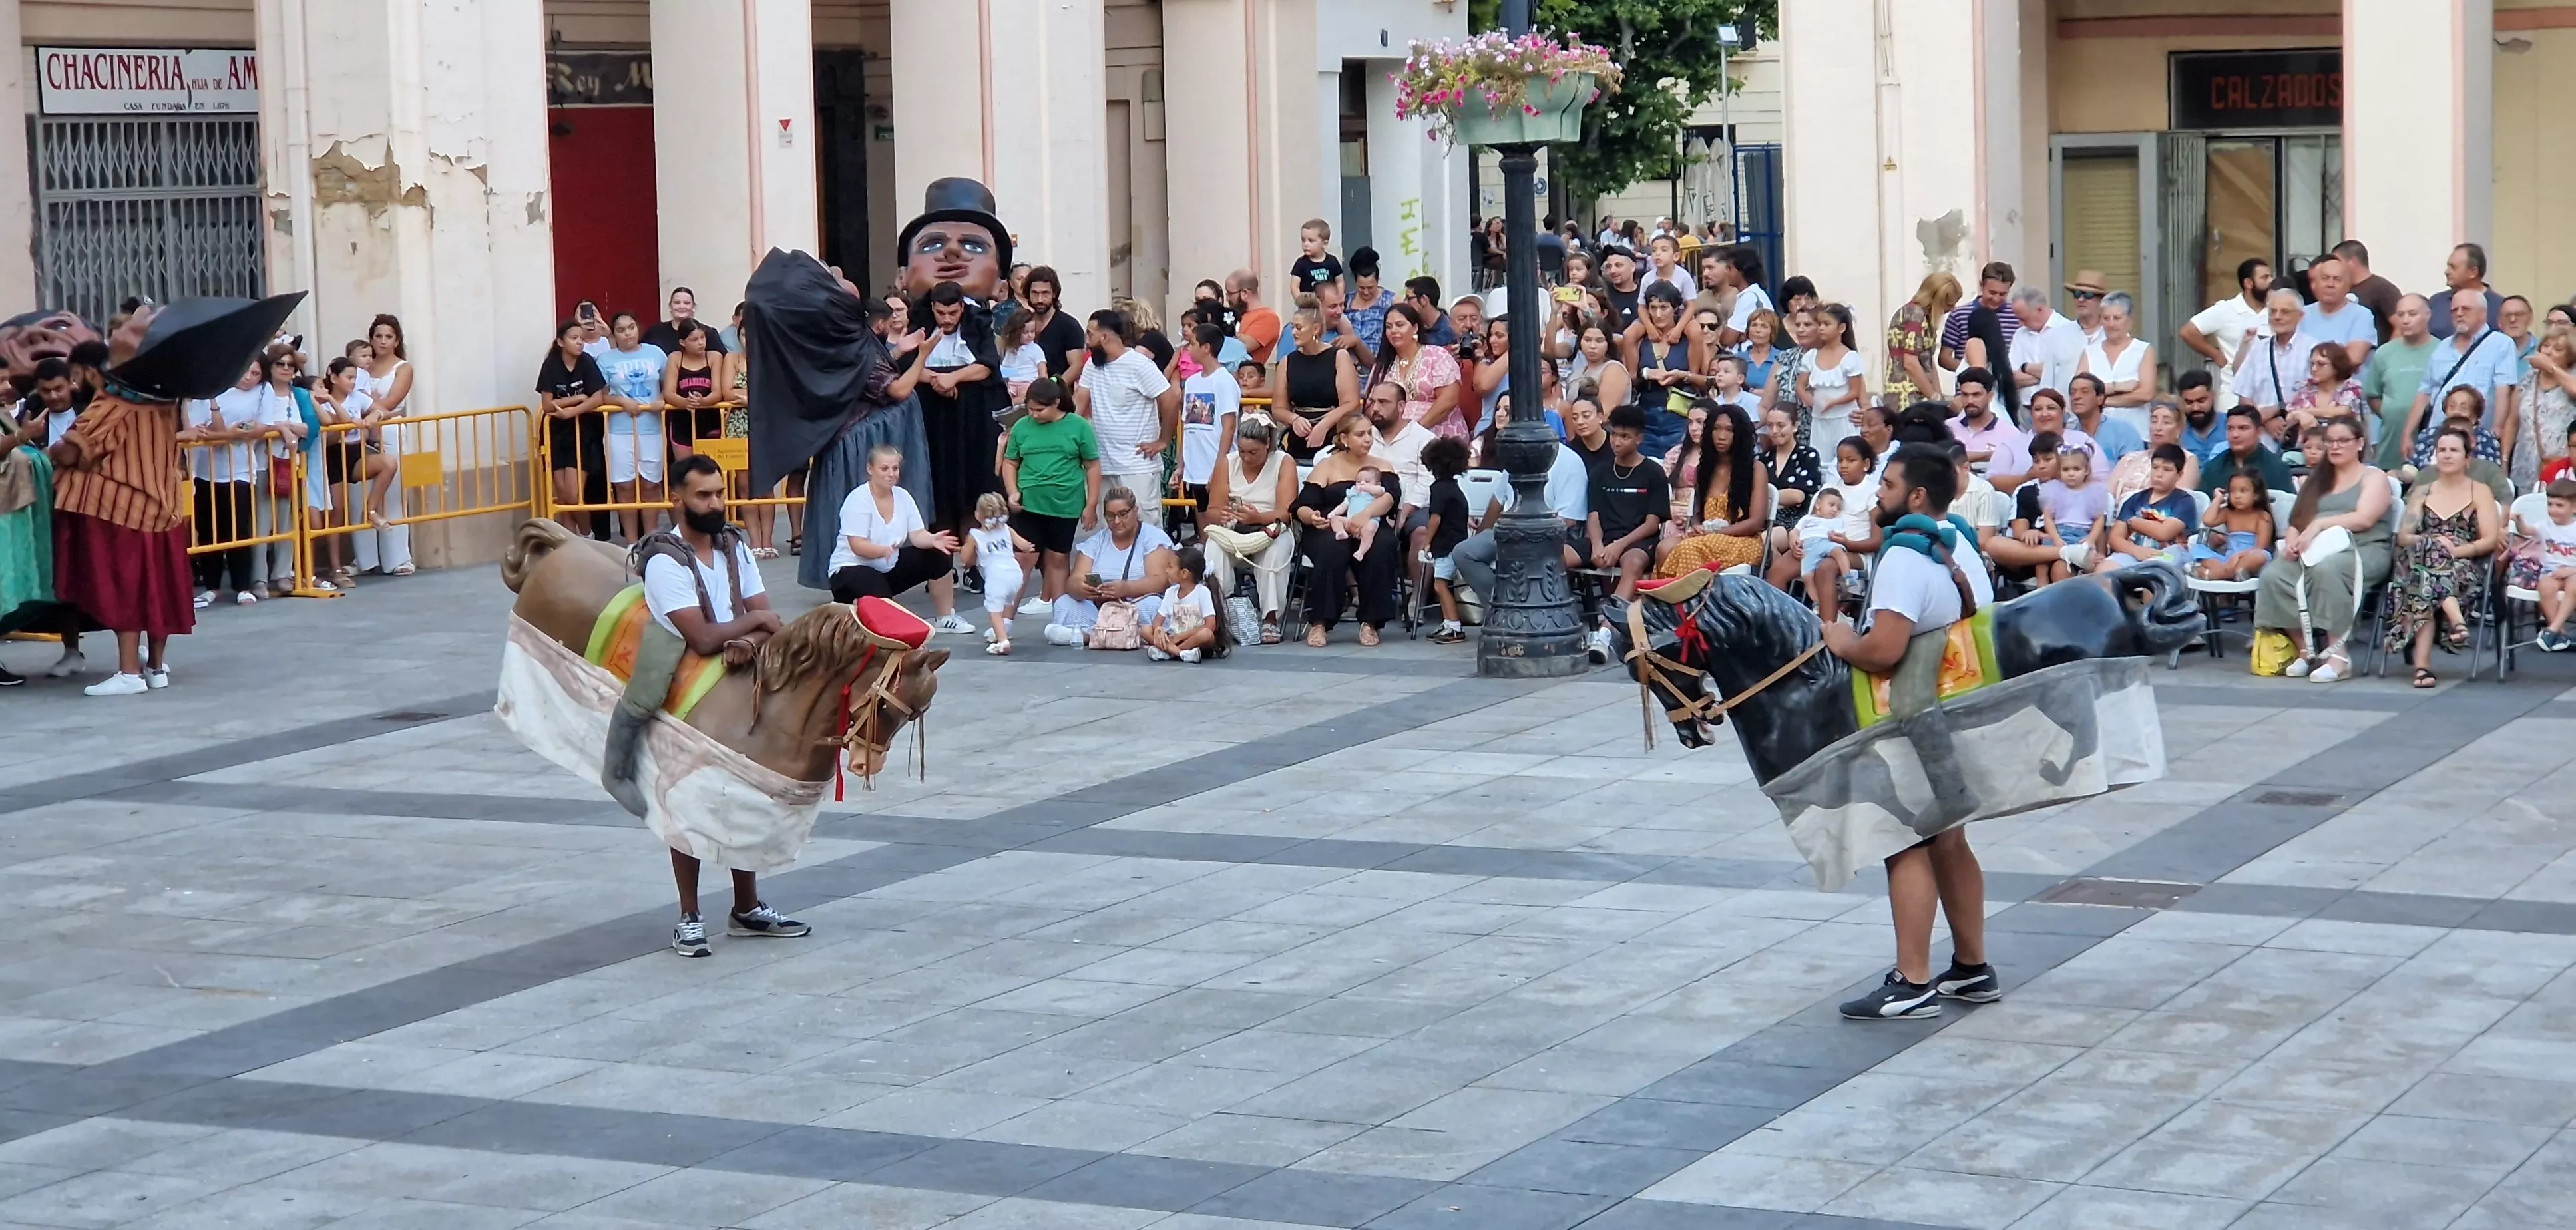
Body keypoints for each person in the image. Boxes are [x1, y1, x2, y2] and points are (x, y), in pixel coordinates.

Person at [1824, 443, 1998, 1020]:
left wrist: (1839, 638)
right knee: (1950, 840)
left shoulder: (1903, 556)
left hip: (1917, 717)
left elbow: (1883, 650)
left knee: (1905, 840)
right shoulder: (1956, 541)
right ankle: (1972, 968)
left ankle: (1913, 982)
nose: (1879, 492)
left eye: (1889, 485)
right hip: (1962, 706)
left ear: (1917, 496)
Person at [623, 453, 803, 954]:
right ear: (676, 499)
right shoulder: (664, 560)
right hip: (685, 695)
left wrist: (749, 632)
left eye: (719, 493)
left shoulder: (734, 546)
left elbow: (765, 614)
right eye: (703, 495)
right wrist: (753, 626)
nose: (716, 503)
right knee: (689, 804)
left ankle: (747, 906)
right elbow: (702, 637)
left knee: (745, 795)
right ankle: (689, 916)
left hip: (739, 683)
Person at [2254, 416, 2392, 682]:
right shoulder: (2318, 479)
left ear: (2360, 443)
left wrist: (2320, 524)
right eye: (2330, 441)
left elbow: (2364, 519)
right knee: (2275, 574)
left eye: (2343, 441)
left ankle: (2338, 656)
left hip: (2362, 548)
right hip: (2315, 548)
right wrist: (2293, 542)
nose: (2335, 447)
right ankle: (2306, 649)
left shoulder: (2373, 477)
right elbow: (2298, 522)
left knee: (2327, 571)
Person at [2386, 427, 2501, 688]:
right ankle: (2457, 621)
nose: (2447, 455)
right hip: (2418, 558)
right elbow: (2404, 536)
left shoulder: (2480, 491)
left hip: (2461, 562)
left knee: (2423, 583)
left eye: (2454, 450)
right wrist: (2431, 543)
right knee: (2427, 560)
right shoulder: (2422, 492)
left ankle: (2422, 668)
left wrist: (2454, 551)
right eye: (2442, 450)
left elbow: (2489, 540)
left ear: (2467, 458)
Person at [827, 445, 966, 628]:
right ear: (870, 469)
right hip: (850, 568)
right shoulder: (858, 500)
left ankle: (945, 618)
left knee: (940, 556)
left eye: (895, 468)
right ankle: (849, 606)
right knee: (881, 599)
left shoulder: (903, 496)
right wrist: (881, 551)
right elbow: (857, 546)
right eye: (884, 469)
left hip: (888, 565)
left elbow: (917, 535)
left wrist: (933, 540)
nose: (891, 474)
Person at [1293, 413, 1402, 646]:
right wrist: (1312, 517)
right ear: (1344, 438)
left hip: (1370, 523)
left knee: (1382, 545)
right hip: (1332, 524)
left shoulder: (1381, 467)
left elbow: (1390, 498)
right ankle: (1320, 623)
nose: (1368, 439)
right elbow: (1303, 504)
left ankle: (1371, 622)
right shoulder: (1327, 466)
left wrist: (1366, 514)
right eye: (1360, 434)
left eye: (1370, 434)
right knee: (1332, 548)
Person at [1002, 378, 1100, 617]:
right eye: (1030, 409)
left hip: (1065, 503)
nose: (1034, 415)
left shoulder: (1079, 426)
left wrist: (1091, 504)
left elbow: (1092, 465)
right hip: (1029, 502)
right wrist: (1013, 491)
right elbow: (1010, 461)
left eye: (1040, 410)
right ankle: (1004, 620)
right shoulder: (1022, 427)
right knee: (1023, 558)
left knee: (1058, 559)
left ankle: (1062, 618)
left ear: (1056, 403)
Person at [1073, 309, 1180, 526]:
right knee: (1111, 528)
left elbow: (1170, 399)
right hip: (1104, 463)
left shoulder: (1139, 364)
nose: (1087, 341)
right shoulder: (1092, 365)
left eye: (1090, 335)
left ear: (1105, 337)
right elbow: (1080, 401)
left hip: (1137, 465)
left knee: (1144, 526)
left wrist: (1163, 440)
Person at [1582, 405, 1670, 654]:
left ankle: (1605, 632)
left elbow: (1652, 524)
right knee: (1555, 554)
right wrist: (1598, 545)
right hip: (1604, 537)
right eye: (1614, 434)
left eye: (1625, 436)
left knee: (1633, 563)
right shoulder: (1600, 472)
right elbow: (1593, 515)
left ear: (1639, 439)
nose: (1617, 442)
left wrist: (1618, 546)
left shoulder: (1653, 472)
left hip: (1637, 539)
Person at [1201, 417, 1298, 643]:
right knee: (1214, 547)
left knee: (1275, 551)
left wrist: (1258, 518)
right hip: (1235, 528)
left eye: (1253, 452)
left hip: (1271, 526)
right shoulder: (1228, 462)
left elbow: (1286, 513)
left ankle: (1270, 618)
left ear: (1268, 445)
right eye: (1242, 451)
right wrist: (1222, 515)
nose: (1246, 457)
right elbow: (1212, 510)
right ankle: (1219, 614)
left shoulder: (1284, 462)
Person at [181, 365, 265, 606]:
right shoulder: (196, 398)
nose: (249, 377)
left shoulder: (258, 392)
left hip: (240, 470)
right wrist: (229, 430)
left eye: (256, 373)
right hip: (204, 470)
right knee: (208, 530)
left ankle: (242, 586)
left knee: (238, 528)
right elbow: (202, 433)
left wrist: (230, 430)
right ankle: (212, 586)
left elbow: (257, 426)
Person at [1655, 401, 1767, 578]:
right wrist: (1697, 527)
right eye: (1716, 429)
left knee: (1690, 548)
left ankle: (1690, 595)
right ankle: (1669, 594)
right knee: (1664, 548)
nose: (1721, 436)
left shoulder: (1756, 469)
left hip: (1742, 540)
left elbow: (1756, 523)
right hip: (1707, 536)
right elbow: (1697, 514)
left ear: (1740, 434)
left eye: (1729, 430)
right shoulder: (1705, 468)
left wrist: (1715, 533)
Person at [2405, 294, 2519, 464]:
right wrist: (2407, 433)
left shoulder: (2501, 343)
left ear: (2483, 313)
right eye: (2454, 310)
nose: (2459, 314)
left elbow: (2503, 390)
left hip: (2478, 440)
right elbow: (2425, 393)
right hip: (2438, 437)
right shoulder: (2442, 347)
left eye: (2465, 309)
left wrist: (2498, 428)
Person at [595, 311, 670, 542]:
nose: (627, 334)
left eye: (631, 328)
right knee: (625, 486)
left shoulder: (655, 353)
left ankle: (651, 537)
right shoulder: (605, 360)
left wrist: (662, 400)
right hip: (619, 430)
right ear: (614, 334)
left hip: (651, 428)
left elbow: (669, 384)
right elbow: (600, 395)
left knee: (651, 485)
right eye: (621, 330)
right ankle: (631, 542)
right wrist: (621, 401)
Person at [352, 315, 416, 576]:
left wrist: (370, 408)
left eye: (389, 337)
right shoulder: (362, 366)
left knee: (393, 495)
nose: (383, 341)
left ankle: (398, 559)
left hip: (390, 430)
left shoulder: (403, 368)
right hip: (361, 432)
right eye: (378, 336)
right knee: (359, 494)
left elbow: (393, 401)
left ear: (397, 341)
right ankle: (365, 560)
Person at [538, 319, 610, 537]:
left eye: (582, 339)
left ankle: (587, 535)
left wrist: (572, 412)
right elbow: (547, 404)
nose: (580, 343)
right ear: (561, 342)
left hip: (582, 433)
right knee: (562, 496)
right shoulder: (551, 365)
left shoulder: (586, 362)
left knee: (574, 494)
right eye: (574, 338)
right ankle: (568, 540)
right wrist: (578, 398)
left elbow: (598, 398)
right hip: (556, 433)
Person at [1271, 295, 1361, 461]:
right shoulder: (1287, 361)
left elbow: (1351, 403)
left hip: (1333, 439)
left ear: (1315, 329)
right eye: (1293, 328)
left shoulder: (1338, 357)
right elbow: (1278, 408)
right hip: (1298, 440)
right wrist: (1294, 419)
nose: (1294, 333)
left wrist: (1324, 425)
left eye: (1299, 328)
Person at [1174, 321, 1243, 532]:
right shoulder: (1192, 382)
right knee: (1202, 517)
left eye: (1193, 344)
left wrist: (1219, 468)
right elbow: (1187, 426)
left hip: (1216, 463)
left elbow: (1229, 427)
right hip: (1196, 465)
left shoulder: (1224, 381)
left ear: (1206, 348)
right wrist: (1181, 465)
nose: (1189, 349)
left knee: (1220, 520)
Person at [2180, 258, 2274, 411]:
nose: (2271, 281)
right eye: (2265, 277)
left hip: (2270, 393)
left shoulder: (2276, 310)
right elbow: (2188, 332)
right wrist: (2216, 356)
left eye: (2271, 276)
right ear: (2248, 283)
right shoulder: (2226, 309)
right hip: (2233, 391)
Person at [1624, 283, 1704, 459]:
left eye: (1664, 307)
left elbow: (1700, 380)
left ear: (1675, 308)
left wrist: (1682, 376)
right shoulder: (1640, 337)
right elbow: (1631, 379)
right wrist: (1647, 374)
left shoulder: (1689, 336)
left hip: (1679, 415)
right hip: (1647, 414)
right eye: (1653, 308)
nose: (1658, 314)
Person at [2229, 289, 2320, 437]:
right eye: (2273, 312)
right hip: (2261, 435)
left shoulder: (2314, 350)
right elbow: (2244, 395)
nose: (2277, 317)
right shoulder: (2259, 349)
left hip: (2302, 434)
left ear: (2300, 316)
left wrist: (2278, 411)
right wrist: (2265, 421)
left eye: (2285, 312)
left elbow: (2321, 393)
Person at [1987, 431, 2071, 588]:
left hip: (2066, 544)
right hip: (2032, 554)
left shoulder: (2073, 487)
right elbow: (2020, 533)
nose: (2042, 465)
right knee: (1993, 544)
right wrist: (2033, 534)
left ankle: (2065, 553)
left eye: (2048, 459)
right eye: (2036, 461)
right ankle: (2064, 552)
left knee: (2061, 567)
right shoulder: (2025, 490)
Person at [2094, 443, 2197, 570]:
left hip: (2168, 554)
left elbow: (2163, 533)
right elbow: (2115, 538)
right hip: (2133, 552)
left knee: (2150, 573)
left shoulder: (2184, 501)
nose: (2159, 474)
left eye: (2167, 469)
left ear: (2179, 475)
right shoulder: (2135, 499)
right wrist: (2135, 550)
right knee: (2104, 569)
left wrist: (2134, 522)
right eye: (2155, 467)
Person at [1371, 304, 1466, 439]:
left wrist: (1415, 431)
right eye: (1389, 327)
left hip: (1440, 435)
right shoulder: (1383, 365)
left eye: (1400, 325)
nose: (1394, 331)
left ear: (1415, 328)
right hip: (1394, 436)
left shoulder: (1436, 355)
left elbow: (1449, 400)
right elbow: (1372, 404)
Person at [959, 491, 1031, 655]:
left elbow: (965, 559)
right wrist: (1028, 547)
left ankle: (1003, 641)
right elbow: (1024, 545)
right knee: (1005, 603)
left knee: (994, 611)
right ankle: (1003, 630)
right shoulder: (1007, 529)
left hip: (996, 576)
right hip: (1015, 574)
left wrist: (964, 552)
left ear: (978, 515)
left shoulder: (975, 535)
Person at [1419, 436, 1474, 644]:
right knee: (1442, 584)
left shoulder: (1438, 489)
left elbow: (1436, 518)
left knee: (1440, 584)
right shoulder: (1454, 487)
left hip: (1445, 544)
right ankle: (1448, 623)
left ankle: (1454, 626)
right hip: (1457, 541)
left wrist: (1427, 541)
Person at [1986, 388, 2093, 490]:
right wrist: (2027, 477)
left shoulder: (2082, 440)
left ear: (2063, 412)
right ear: (2031, 414)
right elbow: (1992, 481)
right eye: (2038, 409)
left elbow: (2099, 477)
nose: (2045, 414)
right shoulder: (2011, 444)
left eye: (2051, 408)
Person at [2080, 292, 2157, 433]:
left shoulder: (2143, 350)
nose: (2111, 324)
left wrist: (2102, 401)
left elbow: (2146, 394)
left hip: (2136, 431)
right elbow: (2081, 392)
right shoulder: (2090, 352)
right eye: (2106, 318)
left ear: (2129, 321)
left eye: (2117, 318)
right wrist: (2118, 387)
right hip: (2097, 432)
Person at [1799, 304, 1868, 451]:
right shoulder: (1811, 356)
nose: (1821, 328)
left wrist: (1833, 403)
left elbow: (1855, 391)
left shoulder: (1850, 357)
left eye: (1827, 324)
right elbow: (1800, 386)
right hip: (1820, 420)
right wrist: (1809, 399)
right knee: (1821, 455)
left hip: (1845, 420)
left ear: (1841, 328)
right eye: (1819, 324)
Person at [1884, 272, 1960, 407]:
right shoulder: (1915, 315)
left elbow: (1928, 361)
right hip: (1907, 397)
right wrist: (1934, 397)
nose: (1953, 309)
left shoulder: (1925, 317)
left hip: (1922, 393)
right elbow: (1910, 364)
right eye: (1949, 304)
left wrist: (1939, 398)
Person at [2104, 402, 2201, 507]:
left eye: (2166, 422)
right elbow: (2107, 495)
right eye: (2154, 421)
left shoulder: (2187, 459)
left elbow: (2177, 501)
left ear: (2179, 429)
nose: (2158, 428)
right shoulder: (2130, 458)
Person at [2189, 469, 2277, 582]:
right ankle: (2228, 573)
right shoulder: (2228, 513)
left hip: (2249, 558)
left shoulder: (2263, 517)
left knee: (2262, 555)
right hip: (2228, 560)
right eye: (2232, 491)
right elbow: (2208, 521)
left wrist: (2239, 556)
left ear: (2256, 495)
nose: (2237, 496)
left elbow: (2261, 547)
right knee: (2198, 549)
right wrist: (2217, 499)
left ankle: (2212, 574)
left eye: (2243, 491)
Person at [2006, 286, 2086, 405]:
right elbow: (2013, 377)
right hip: (2024, 407)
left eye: (2024, 319)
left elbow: (2068, 373)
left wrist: (2026, 368)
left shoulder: (2067, 331)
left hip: (2057, 406)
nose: (2020, 324)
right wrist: (2048, 375)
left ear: (2040, 309)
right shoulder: (2019, 335)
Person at [660, 319, 724, 465]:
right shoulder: (675, 358)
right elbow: (669, 393)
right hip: (682, 422)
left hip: (710, 420)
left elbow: (717, 392)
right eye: (694, 340)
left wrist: (703, 401)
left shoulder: (714, 357)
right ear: (682, 342)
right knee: (686, 467)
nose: (700, 343)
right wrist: (686, 403)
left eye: (702, 338)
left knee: (711, 467)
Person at [2519, 330, 2576, 490]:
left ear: (2570, 356)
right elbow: (2512, 421)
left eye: (2557, 349)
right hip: (2526, 461)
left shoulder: (2571, 378)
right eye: (2546, 346)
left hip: (2562, 463)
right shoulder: (2528, 378)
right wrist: (2504, 460)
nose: (2548, 352)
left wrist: (2551, 368)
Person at [2299, 254, 2377, 371]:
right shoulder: (2301, 314)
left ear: (2348, 286)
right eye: (2325, 278)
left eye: (2337, 279)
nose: (2330, 284)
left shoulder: (2362, 315)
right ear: (2314, 284)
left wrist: (2315, 362)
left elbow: (2353, 358)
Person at [2198, 405, 2294, 497]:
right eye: (2230, 428)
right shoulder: (2213, 467)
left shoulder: (2277, 468)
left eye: (2243, 428)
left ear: (2259, 432)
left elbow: (2289, 504)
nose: (2235, 435)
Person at [2283, 342, 2367, 445]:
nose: (2314, 369)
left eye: (2321, 364)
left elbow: (2343, 411)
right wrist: (2299, 414)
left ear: (2337, 366)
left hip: (2341, 447)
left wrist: (2303, 412)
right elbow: (2290, 415)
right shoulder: (2306, 387)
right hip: (2307, 449)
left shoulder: (2351, 387)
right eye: (2312, 364)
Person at [2041, 446, 2109, 573]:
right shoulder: (2053, 491)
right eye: (2066, 469)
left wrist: (2091, 539)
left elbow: (2099, 520)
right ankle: (2043, 580)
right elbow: (2048, 518)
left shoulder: (2094, 492)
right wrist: (2056, 538)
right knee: (2046, 559)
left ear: (2087, 470)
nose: (2071, 473)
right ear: (2059, 470)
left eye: (2076, 469)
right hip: (2060, 534)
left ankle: (2083, 578)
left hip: (2082, 536)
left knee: (2092, 564)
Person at [2427, 242, 2505, 340]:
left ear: (2473, 272)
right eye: (2448, 266)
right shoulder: (2436, 301)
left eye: (2453, 267)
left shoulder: (2500, 306)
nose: (2447, 272)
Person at [2533, 479, 2576, 651]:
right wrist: (2518, 523)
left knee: (2574, 584)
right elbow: (2527, 531)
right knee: (2545, 587)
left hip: (2574, 571)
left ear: (2574, 507)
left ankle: (2552, 630)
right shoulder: (2545, 525)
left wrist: (2570, 571)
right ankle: (2561, 634)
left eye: (2559, 505)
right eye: (2550, 504)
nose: (2553, 509)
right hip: (2552, 571)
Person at [1020, 266, 1086, 379]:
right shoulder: (1022, 323)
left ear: (1054, 294)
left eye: (1045, 293)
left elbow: (1076, 366)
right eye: (1035, 293)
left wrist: (1055, 386)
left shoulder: (1069, 326)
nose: (1040, 299)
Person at [2332, 240, 2402, 342]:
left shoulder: (2382, 288)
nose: (2335, 267)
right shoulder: (2343, 289)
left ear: (2352, 262)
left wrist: (2388, 351)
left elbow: (2401, 326)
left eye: (2338, 262)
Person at [2068, 373, 2143, 461]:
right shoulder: (2069, 436)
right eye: (2073, 393)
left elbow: (2134, 466)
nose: (2076, 397)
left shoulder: (2124, 430)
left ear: (2100, 399)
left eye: (2085, 392)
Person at [641, 287, 730, 357]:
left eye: (687, 303)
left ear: (693, 307)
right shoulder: (655, 332)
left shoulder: (709, 333)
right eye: (677, 302)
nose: (681, 306)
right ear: (670, 306)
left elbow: (723, 361)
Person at [1228, 270, 1281, 365]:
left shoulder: (1268, 318)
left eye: (1230, 294)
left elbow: (1242, 347)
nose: (1228, 299)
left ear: (1245, 293)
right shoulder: (1238, 314)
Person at [1734, 308, 1785, 403]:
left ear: (1772, 331)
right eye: (1754, 325)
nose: (1758, 331)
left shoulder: (1783, 358)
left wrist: (1768, 394)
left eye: (1764, 327)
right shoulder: (1737, 359)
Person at [2174, 371, 2225, 463]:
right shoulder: (2176, 432)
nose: (2195, 408)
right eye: (2189, 403)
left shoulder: (2231, 425)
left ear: (2213, 396)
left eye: (2201, 401)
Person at [1291, 218, 1345, 296]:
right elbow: (1294, 286)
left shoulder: (1332, 261)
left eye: (1311, 241)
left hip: (1329, 302)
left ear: (1324, 244)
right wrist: (1300, 300)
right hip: (1309, 303)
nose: (1306, 244)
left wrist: (1339, 297)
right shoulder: (1301, 263)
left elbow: (1339, 282)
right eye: (1303, 240)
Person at [1639, 233, 1698, 302]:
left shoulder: (1684, 277)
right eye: (1654, 250)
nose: (1657, 253)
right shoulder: (1647, 278)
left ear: (1676, 256)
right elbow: (1642, 305)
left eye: (1664, 250)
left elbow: (1691, 305)